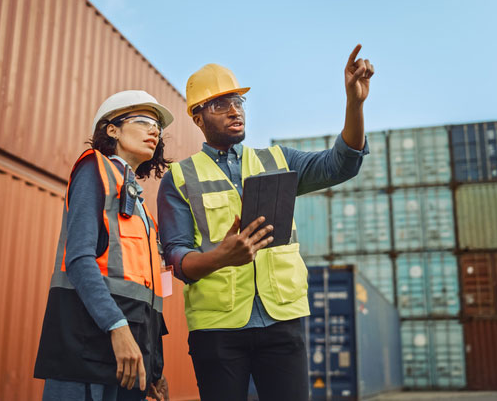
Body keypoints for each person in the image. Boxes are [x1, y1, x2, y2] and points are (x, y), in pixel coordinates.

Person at [157, 45, 374, 400]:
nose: (233, 111)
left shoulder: (278, 160)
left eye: (238, 102)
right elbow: (177, 261)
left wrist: (355, 104)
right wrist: (221, 257)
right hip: (218, 330)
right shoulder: (179, 178)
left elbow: (342, 164)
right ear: (197, 118)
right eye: (219, 104)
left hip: (281, 322)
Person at [35, 90, 175, 401]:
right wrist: (117, 327)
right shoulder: (94, 169)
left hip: (129, 358)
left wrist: (154, 366)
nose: (154, 130)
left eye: (158, 127)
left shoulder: (145, 214)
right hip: (91, 350)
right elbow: (80, 259)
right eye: (144, 121)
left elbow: (152, 295)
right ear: (112, 129)